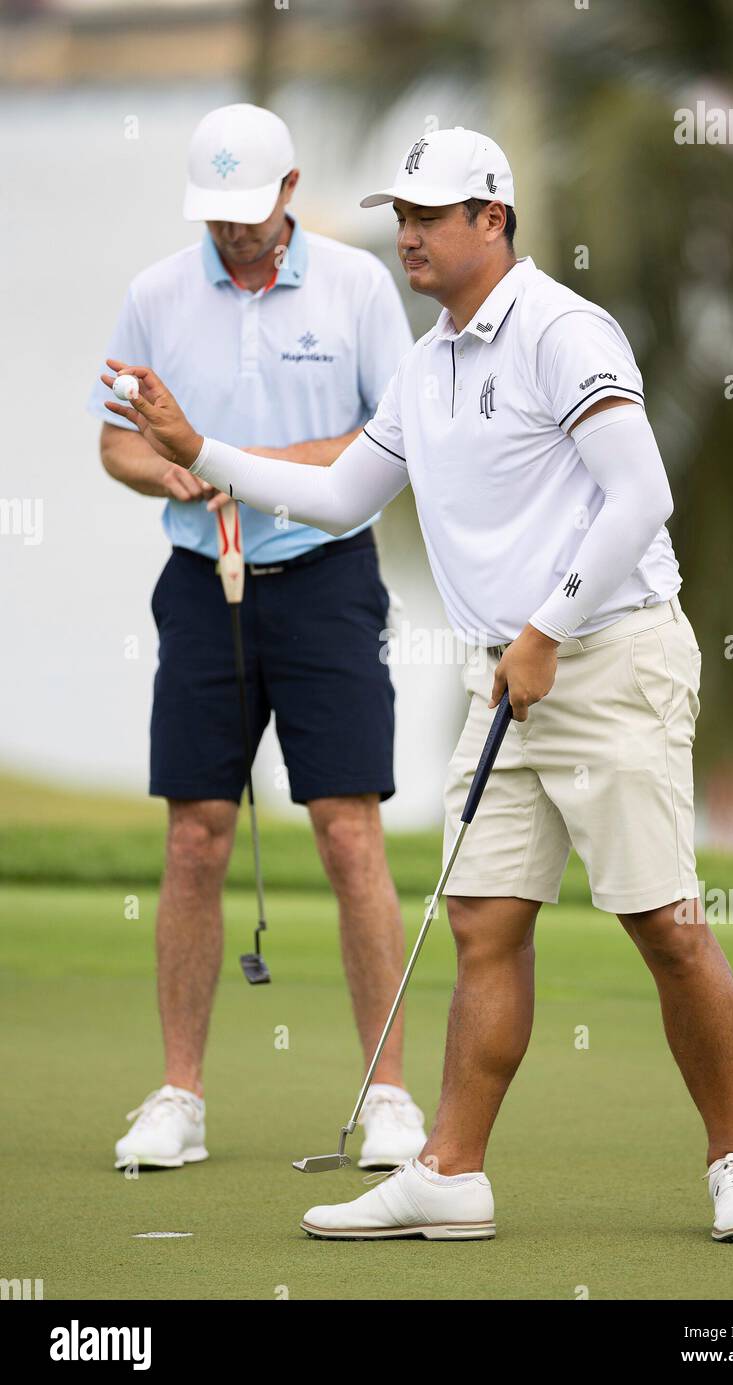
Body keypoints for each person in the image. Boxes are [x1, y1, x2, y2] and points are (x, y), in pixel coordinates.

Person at [101, 126, 733, 1245]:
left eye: (429, 217)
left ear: (492, 220)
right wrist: (200, 449)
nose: (408, 236)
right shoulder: (427, 366)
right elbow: (340, 496)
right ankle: (451, 1173)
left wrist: (547, 628)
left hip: (608, 657)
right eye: (401, 217)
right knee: (481, 923)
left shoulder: (562, 330)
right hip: (509, 678)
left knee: (664, 924)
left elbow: (641, 496)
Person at [88, 104, 426, 1174]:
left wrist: (223, 455)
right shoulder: (156, 293)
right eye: (216, 211)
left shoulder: (357, 286)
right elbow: (115, 442)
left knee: (347, 832)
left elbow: (392, 436)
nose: (233, 229)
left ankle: (388, 1095)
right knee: (195, 836)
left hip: (328, 585)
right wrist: (168, 469)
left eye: (249, 207)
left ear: (289, 191)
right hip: (202, 587)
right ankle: (179, 1097)